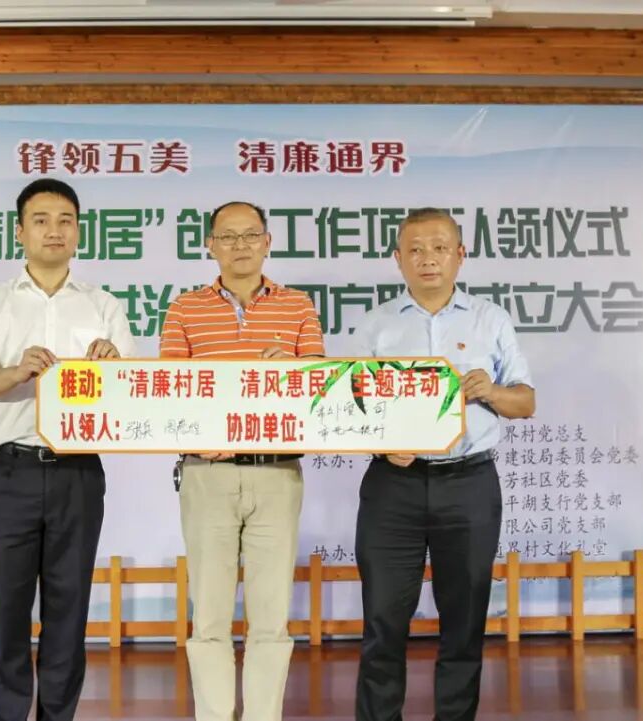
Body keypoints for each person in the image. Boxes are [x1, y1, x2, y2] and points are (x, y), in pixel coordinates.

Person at [0, 178, 135, 721]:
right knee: (6, 613)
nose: (54, 230)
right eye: (41, 220)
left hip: (79, 473)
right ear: (19, 231)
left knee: (68, 611)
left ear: (79, 231)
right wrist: (17, 370)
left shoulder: (104, 306)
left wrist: (112, 368)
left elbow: (129, 395)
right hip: (10, 472)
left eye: (65, 221)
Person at [351, 207, 535, 721]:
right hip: (394, 486)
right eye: (415, 249)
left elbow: (525, 402)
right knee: (383, 620)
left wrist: (491, 391)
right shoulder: (376, 325)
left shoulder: (490, 320)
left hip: (469, 482)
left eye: (438, 248)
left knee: (465, 620)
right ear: (398, 259)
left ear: (460, 255)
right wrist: (382, 444)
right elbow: (351, 411)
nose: (427, 259)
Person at [159, 200, 325, 721]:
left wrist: (293, 369)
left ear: (267, 242)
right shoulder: (185, 308)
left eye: (250, 234)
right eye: (227, 236)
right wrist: (198, 436)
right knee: (209, 618)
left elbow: (318, 389)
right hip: (207, 472)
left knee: (271, 619)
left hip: (277, 472)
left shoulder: (298, 306)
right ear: (210, 245)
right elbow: (168, 391)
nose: (239, 245)